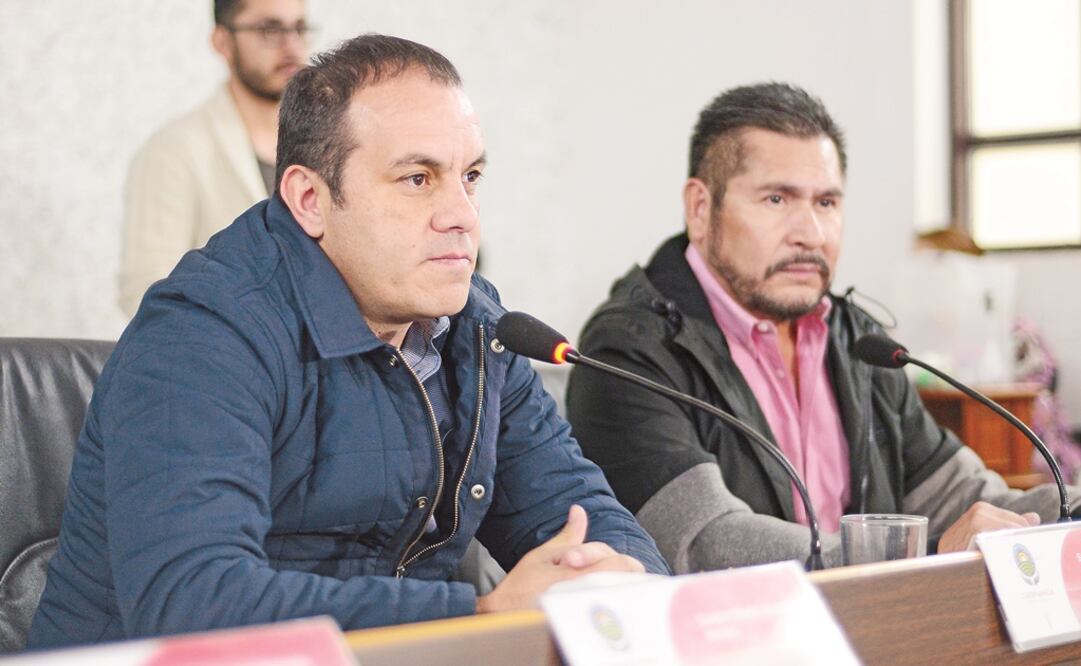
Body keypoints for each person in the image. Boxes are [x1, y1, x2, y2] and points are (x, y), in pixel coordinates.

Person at [29, 34, 668, 649]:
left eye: (469, 177)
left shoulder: (480, 330)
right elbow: (192, 601)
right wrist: (481, 614)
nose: (463, 214)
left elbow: (583, 517)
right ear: (310, 198)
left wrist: (624, 581)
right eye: (418, 178)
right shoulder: (202, 334)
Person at [565, 82, 1077, 572]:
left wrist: (1070, 510)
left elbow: (963, 499)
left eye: (826, 203)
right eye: (777, 200)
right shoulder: (628, 352)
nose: (809, 233)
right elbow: (705, 546)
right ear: (701, 208)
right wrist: (922, 556)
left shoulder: (859, 342)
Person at [118, 0, 311, 316]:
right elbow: (148, 288)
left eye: (299, 28)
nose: (291, 45)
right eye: (269, 29)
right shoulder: (174, 149)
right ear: (222, 41)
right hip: (226, 353)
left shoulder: (326, 145)